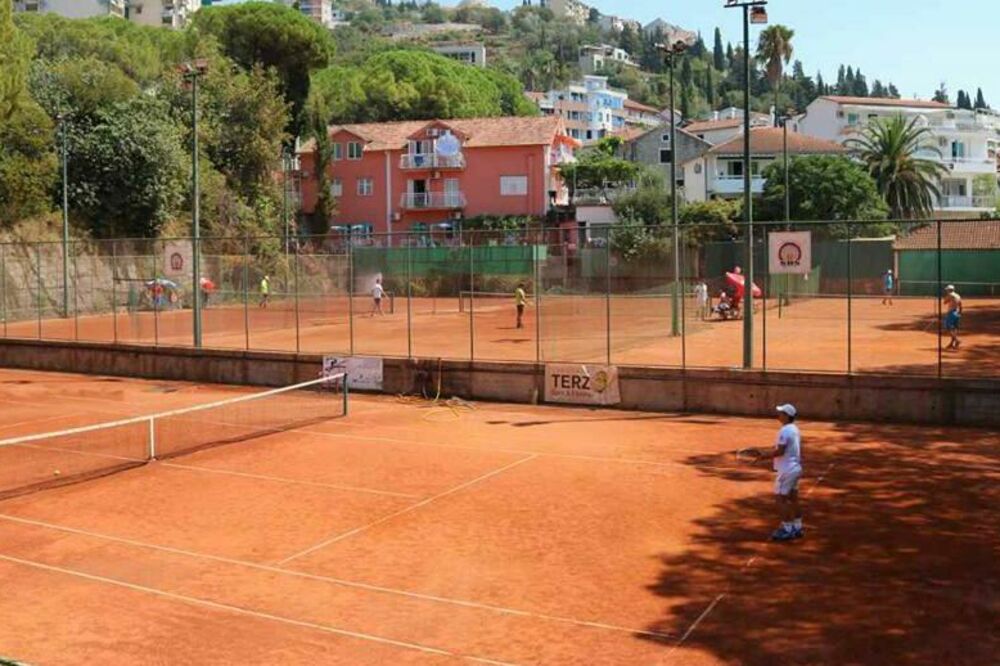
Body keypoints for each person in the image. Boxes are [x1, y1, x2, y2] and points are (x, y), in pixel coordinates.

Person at [753, 404, 804, 542]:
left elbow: (780, 451)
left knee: (780, 498)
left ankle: (787, 529)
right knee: (793, 498)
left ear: (787, 416)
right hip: (795, 468)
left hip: (786, 470)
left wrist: (764, 456)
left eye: (781, 412)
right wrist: (767, 451)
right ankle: (798, 527)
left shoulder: (784, 431)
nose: (778, 414)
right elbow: (783, 447)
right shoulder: (794, 429)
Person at [943, 284, 963, 350]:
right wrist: (959, 313)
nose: (946, 291)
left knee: (948, 327)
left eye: (947, 290)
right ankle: (952, 343)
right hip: (957, 313)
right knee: (954, 328)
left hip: (951, 313)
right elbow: (960, 305)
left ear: (949, 290)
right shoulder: (958, 295)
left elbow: (944, 302)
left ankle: (957, 340)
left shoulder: (950, 295)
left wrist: (946, 298)